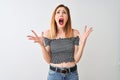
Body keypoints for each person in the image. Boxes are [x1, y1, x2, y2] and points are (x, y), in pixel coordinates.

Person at [27, 4, 93, 80]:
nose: (61, 14)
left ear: (67, 17)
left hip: (72, 75)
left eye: (64, 12)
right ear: (54, 17)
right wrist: (42, 45)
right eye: (58, 12)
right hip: (54, 75)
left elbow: (76, 59)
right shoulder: (48, 34)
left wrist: (83, 43)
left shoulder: (75, 33)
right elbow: (48, 60)